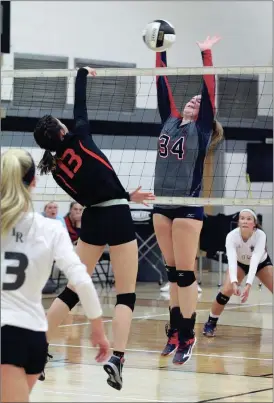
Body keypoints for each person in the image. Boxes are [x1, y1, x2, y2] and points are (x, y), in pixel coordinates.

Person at [33, 66, 155, 390]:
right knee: (126, 295)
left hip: (92, 218)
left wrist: (128, 194)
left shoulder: (57, 171)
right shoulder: (80, 137)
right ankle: (117, 357)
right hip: (117, 215)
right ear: (61, 132)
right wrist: (83, 74)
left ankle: (37, 349)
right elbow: (80, 106)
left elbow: (95, 191)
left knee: (72, 290)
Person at [1, 149, 109, 403]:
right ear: (34, 182)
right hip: (35, 338)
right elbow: (81, 280)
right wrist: (98, 328)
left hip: (6, 337)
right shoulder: (52, 229)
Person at [153, 35, 223, 365]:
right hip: (161, 204)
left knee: (185, 273)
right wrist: (160, 51)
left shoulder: (203, 128)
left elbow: (208, 91)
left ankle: (188, 334)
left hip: (186, 204)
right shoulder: (169, 118)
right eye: (191, 100)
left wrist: (206, 53)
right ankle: (174, 332)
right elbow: (161, 83)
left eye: (198, 101)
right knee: (171, 275)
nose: (194, 101)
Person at [203, 209, 273, 337]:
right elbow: (231, 260)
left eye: (248, 219)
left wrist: (248, 285)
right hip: (239, 264)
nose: (245, 221)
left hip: (260, 264)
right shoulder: (231, 236)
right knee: (226, 290)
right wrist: (235, 282)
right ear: (238, 222)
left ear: (254, 223)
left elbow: (255, 260)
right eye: (242, 218)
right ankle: (210, 323)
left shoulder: (260, 235)